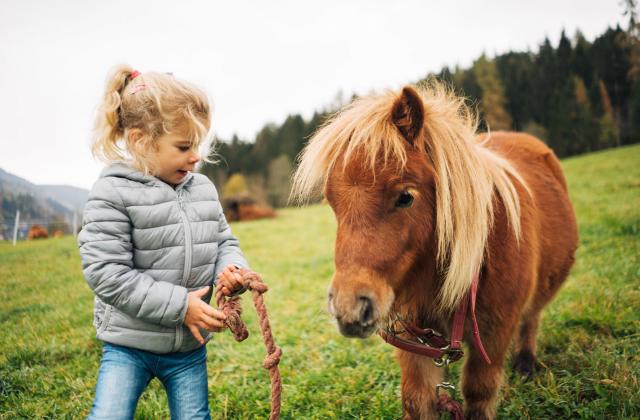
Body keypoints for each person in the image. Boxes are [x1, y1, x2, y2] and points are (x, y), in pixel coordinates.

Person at [78, 65, 247, 419]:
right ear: (140, 140)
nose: (196, 156)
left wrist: (232, 269)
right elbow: (106, 272)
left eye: (198, 145)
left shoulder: (202, 188)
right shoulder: (111, 192)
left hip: (188, 348)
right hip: (129, 346)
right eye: (184, 146)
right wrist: (180, 307)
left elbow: (223, 242)